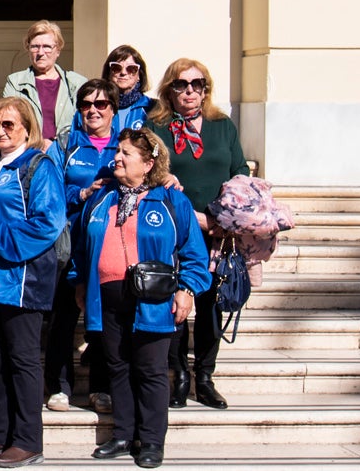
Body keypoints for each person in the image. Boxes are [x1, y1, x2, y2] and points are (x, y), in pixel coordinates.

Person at [78, 128, 210, 470]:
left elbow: (194, 253)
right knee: (117, 366)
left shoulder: (171, 200)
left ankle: (151, 441)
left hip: (153, 298)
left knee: (150, 370)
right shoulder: (103, 196)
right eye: (117, 151)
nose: (117, 158)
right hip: (107, 295)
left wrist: (187, 289)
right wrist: (80, 283)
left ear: (149, 163)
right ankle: (123, 434)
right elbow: (82, 246)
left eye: (126, 154)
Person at [0, 97, 66, 470]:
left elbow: (47, 224)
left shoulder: (39, 167)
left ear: (26, 128)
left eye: (8, 125)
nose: (0, 131)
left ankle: (28, 439)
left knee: (22, 360)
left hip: (21, 279)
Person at [147, 58, 248, 413]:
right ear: (168, 90)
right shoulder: (155, 127)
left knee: (210, 307)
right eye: (181, 84)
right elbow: (148, 172)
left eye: (197, 84)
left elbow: (240, 172)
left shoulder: (223, 126)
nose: (190, 91)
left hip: (218, 232)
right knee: (176, 304)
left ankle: (205, 377)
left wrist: (226, 216)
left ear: (206, 89)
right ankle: (179, 376)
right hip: (175, 229)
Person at [45, 79, 122, 414]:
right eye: (86, 104)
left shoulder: (127, 144)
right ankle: (59, 386)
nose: (93, 110)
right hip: (69, 245)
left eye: (101, 104)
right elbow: (47, 193)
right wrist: (82, 194)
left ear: (113, 110)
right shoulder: (65, 144)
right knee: (62, 320)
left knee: (105, 319)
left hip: (110, 247)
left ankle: (101, 386)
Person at [1, 21, 78, 143]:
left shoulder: (76, 83)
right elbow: (9, 121)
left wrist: (55, 145)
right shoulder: (15, 82)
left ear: (57, 50)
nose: (40, 53)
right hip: (28, 151)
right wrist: (38, 143)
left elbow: (83, 125)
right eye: (35, 47)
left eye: (47, 47)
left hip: (66, 153)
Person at [103, 47, 153, 135]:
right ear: (108, 73)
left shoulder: (152, 108)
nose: (123, 72)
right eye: (116, 68)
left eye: (131, 69)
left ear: (139, 76)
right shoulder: (94, 107)